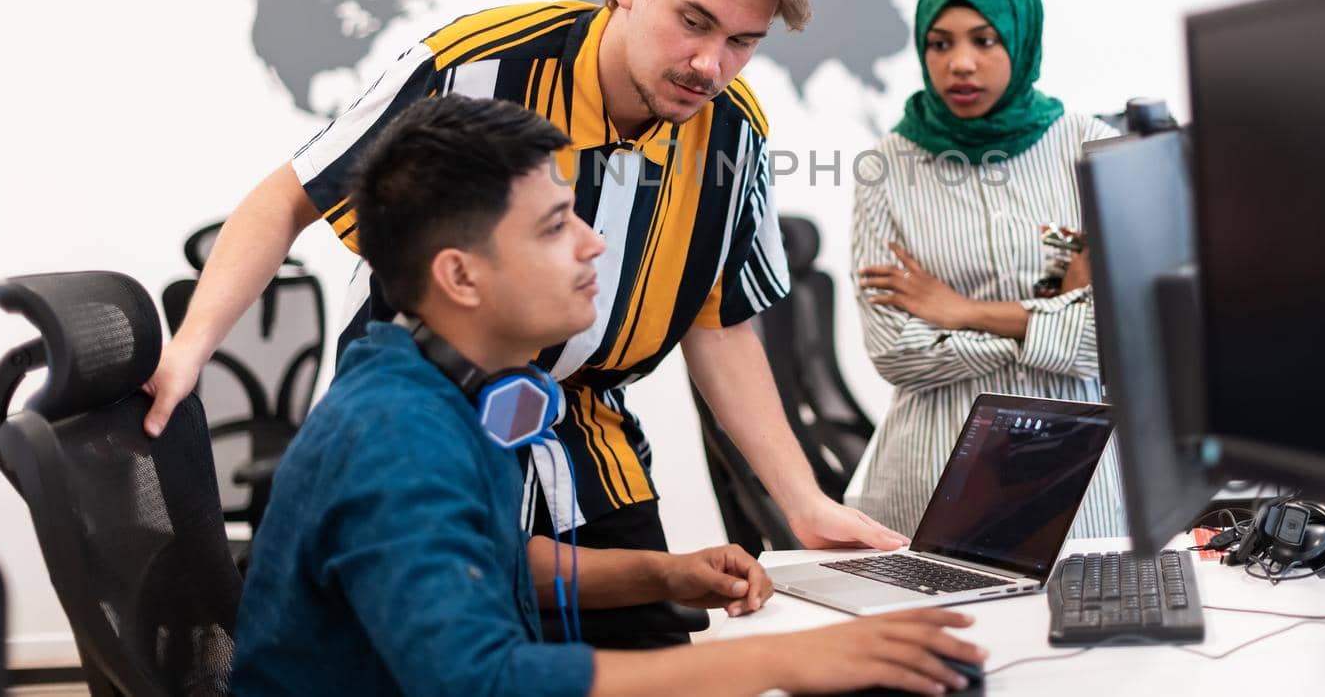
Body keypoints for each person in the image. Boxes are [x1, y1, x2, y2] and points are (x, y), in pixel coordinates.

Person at [145, 0, 904, 641]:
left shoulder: (732, 128)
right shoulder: (474, 69)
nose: (711, 65)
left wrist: (803, 502)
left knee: (658, 646)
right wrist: (188, 353)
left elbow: (717, 320)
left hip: (587, 446)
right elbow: (288, 197)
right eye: (694, 21)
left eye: (742, 41)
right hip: (439, 426)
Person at [228, 95, 986, 697]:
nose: (594, 243)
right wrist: (785, 660)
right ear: (461, 276)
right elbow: (479, 679)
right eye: (557, 225)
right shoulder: (397, 434)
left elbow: (491, 558)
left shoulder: (436, 390)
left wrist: (666, 573)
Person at [851, 0, 1126, 538]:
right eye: (940, 43)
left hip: (1078, 480)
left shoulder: (1093, 150)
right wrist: (1051, 319)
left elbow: (1122, 339)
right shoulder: (886, 168)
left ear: (1020, 37)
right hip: (937, 473)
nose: (961, 64)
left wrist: (965, 311)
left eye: (985, 39)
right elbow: (895, 351)